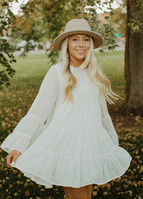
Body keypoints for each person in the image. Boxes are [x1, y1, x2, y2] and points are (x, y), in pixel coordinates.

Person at [0, 19, 132, 199]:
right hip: (66, 146)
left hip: (91, 144)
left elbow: (103, 115)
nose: (81, 45)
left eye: (86, 39)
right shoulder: (57, 72)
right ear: (66, 44)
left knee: (87, 195)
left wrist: (112, 144)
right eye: (75, 39)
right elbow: (38, 112)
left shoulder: (94, 74)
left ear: (91, 44)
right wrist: (19, 146)